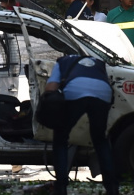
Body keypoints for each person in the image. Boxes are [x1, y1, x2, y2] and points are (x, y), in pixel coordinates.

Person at [45, 55, 118, 195]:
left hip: (74, 91)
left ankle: (61, 187)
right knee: (100, 140)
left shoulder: (62, 62)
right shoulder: (98, 62)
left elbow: (51, 88)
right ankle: (112, 187)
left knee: (60, 139)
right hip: (103, 93)